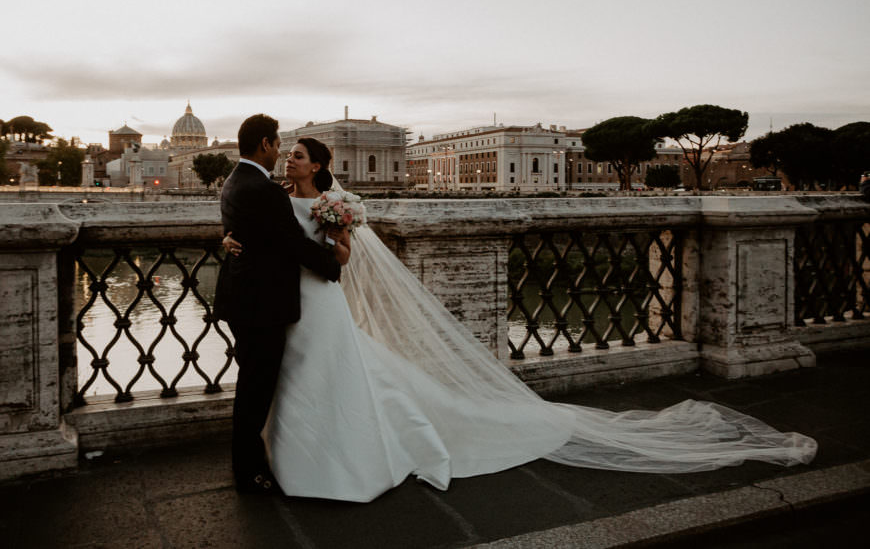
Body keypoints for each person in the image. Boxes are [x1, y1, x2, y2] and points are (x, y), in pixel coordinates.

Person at [222, 137, 817, 503]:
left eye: (299, 153)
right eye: (289, 150)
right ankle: (291, 458)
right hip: (286, 304)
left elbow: (344, 257)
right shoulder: (273, 192)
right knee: (296, 380)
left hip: (317, 298)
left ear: (321, 165)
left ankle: (336, 461)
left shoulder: (335, 204)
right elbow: (260, 230)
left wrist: (331, 250)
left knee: (329, 375)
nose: (290, 156)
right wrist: (230, 243)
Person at [212, 115, 342, 495]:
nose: (282, 152)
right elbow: (292, 242)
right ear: (265, 144)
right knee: (256, 390)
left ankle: (254, 462)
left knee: (254, 385)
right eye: (279, 145)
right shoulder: (264, 189)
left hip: (244, 298)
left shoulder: (234, 181)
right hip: (262, 303)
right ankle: (249, 472)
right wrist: (331, 268)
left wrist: (227, 240)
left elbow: (243, 230)